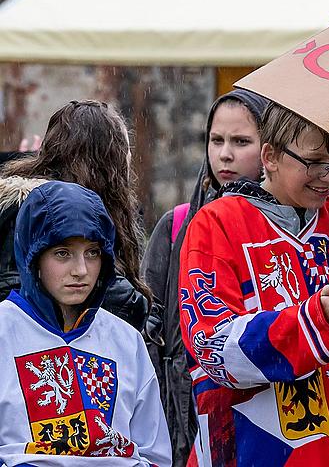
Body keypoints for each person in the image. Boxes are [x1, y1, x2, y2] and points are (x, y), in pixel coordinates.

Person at [179, 102, 329, 467]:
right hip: (250, 447)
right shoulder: (217, 224)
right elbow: (212, 348)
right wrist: (313, 322)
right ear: (271, 155)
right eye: (314, 162)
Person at [0, 181, 170, 465]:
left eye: (92, 253)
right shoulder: (4, 330)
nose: (80, 270)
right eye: (63, 253)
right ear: (33, 257)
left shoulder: (126, 340)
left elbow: (155, 454)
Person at [141, 90, 267, 467]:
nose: (224, 154)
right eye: (216, 140)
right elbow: (150, 323)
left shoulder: (280, 234)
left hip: (259, 404)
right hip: (184, 405)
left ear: (269, 150)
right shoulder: (177, 225)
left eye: (241, 141)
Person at [0, 100, 151, 330]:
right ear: (106, 161)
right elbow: (15, 289)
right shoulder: (37, 211)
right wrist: (135, 305)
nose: (129, 159)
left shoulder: (44, 205)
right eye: (124, 150)